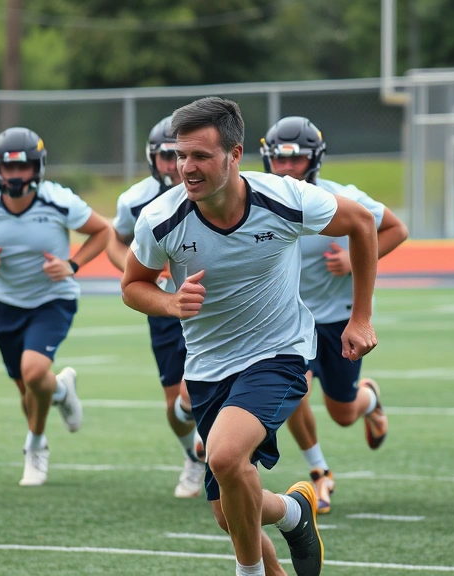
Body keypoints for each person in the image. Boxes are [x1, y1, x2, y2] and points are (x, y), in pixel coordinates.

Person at [122, 97, 379, 576]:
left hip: (278, 354)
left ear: (235, 154)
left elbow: (363, 223)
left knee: (223, 455)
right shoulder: (161, 218)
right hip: (206, 367)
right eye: (181, 156)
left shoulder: (281, 198)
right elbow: (132, 286)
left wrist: (360, 318)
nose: (186, 167)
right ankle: (294, 513)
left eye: (201, 156)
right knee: (229, 511)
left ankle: (250, 573)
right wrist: (169, 302)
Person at [0, 127, 110, 487]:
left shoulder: (59, 201)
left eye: (24, 167)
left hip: (53, 299)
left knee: (34, 372)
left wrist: (72, 265)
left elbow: (102, 231)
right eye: (9, 169)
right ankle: (63, 391)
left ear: (38, 168)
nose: (16, 175)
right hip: (5, 304)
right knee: (28, 391)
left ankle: (35, 446)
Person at [261, 116, 407, 514]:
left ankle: (370, 399)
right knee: (294, 393)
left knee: (343, 412)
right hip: (290, 321)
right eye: (279, 160)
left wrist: (351, 257)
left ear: (315, 159)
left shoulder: (340, 197)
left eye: (297, 160)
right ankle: (319, 472)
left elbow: (395, 228)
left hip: (339, 319)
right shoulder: (257, 199)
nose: (287, 168)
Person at [106, 115, 206, 498]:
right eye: (167, 155)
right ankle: (194, 458)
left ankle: (219, 448)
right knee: (174, 407)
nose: (175, 164)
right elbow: (115, 241)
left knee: (190, 392)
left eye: (180, 154)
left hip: (208, 303)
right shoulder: (135, 200)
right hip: (164, 306)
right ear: (153, 158)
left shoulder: (211, 188)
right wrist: (136, 266)